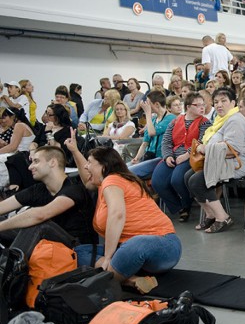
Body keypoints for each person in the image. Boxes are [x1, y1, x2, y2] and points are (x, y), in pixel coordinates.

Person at [67, 141, 181, 293]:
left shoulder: (112, 180)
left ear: (104, 166)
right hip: (129, 251)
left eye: (90, 163)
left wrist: (108, 257)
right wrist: (74, 150)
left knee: (136, 243)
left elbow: (117, 214)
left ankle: (106, 280)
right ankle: (131, 280)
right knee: (77, 252)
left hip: (163, 246)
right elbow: (87, 180)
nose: (86, 166)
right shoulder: (103, 184)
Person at [0, 146, 97, 258]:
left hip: (78, 248)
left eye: (36, 161)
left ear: (52, 162)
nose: (30, 167)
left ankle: (7, 270)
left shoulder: (74, 188)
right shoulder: (38, 189)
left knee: (38, 224)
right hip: (48, 244)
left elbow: (40, 215)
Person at [185, 88, 245, 233]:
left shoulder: (235, 120)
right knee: (187, 177)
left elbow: (232, 150)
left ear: (233, 103)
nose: (219, 105)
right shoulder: (220, 119)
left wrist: (206, 149)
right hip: (222, 160)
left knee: (197, 181)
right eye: (216, 102)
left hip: (238, 162)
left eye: (223, 101)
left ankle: (223, 217)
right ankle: (211, 214)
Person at [151, 92, 211, 222]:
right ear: (188, 107)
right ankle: (178, 206)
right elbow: (166, 141)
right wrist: (167, 156)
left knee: (177, 180)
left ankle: (186, 205)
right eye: (198, 105)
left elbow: (202, 141)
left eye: (203, 105)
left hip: (191, 157)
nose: (202, 107)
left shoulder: (205, 122)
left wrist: (186, 155)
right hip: (173, 155)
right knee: (157, 181)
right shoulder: (175, 121)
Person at [0, 108, 35, 191]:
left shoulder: (19, 125)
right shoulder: (21, 125)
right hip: (19, 154)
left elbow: (13, 147)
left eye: (4, 117)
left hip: (22, 156)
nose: (2, 121)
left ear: (13, 116)